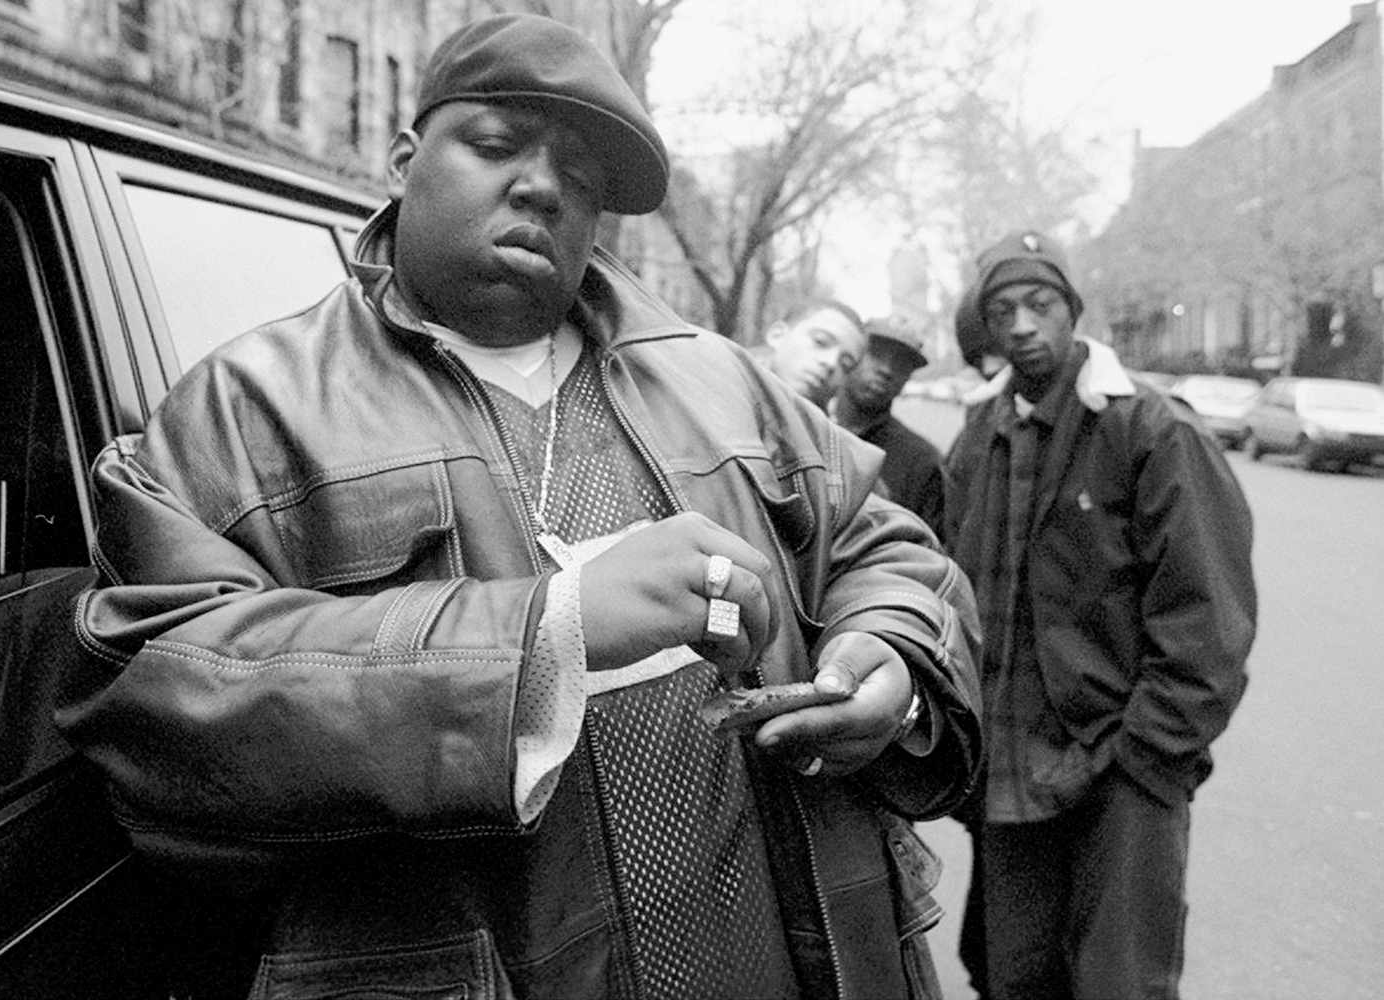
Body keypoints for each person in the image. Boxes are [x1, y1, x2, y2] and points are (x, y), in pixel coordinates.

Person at [58, 14, 982, 999]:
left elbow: (886, 545)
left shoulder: (717, 378)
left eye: (579, 180)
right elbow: (152, 696)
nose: (541, 186)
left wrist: (889, 656)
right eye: (497, 145)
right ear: (407, 157)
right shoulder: (245, 412)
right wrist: (546, 635)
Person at [943, 229, 1256, 1000]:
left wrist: (1146, 758)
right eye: (1004, 308)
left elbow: (1207, 617)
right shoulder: (980, 435)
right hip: (1011, 772)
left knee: (1120, 983)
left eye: (1040, 303)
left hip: (1121, 769)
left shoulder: (1151, 428)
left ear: (1072, 309)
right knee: (1012, 979)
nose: (1022, 324)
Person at [833, 315, 945, 538]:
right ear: (850, 356)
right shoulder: (808, 429)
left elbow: (926, 555)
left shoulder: (921, 462)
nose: (886, 369)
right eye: (875, 354)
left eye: (902, 363)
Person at [759, 297, 869, 408]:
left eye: (845, 365)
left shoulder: (822, 424)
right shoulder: (741, 382)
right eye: (820, 342)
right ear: (777, 335)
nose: (831, 363)